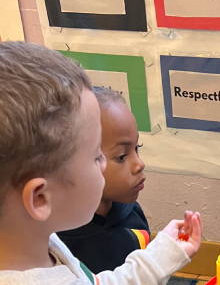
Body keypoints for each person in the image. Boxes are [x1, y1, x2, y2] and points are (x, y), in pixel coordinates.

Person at [0, 41, 202, 285]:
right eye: (97, 156)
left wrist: (161, 255)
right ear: (40, 198)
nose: (104, 166)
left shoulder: (36, 242)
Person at [57, 87, 151, 273]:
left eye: (137, 148)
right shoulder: (61, 249)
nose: (139, 164)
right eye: (122, 157)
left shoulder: (131, 212)